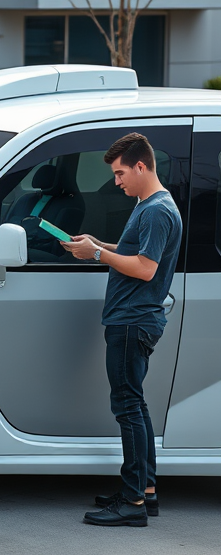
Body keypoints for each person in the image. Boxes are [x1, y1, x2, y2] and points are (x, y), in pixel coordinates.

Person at [61, 133, 182, 527]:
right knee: (135, 405)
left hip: (132, 320)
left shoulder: (156, 211)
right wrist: (98, 243)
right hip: (132, 318)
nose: (116, 182)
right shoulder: (149, 206)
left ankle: (131, 504)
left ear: (141, 166)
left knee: (127, 407)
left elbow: (146, 269)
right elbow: (135, 251)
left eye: (119, 173)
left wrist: (95, 254)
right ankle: (144, 491)